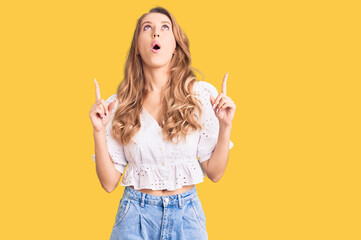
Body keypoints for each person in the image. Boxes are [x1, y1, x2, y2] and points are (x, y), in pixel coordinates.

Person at [89, 6, 236, 240]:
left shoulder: (200, 97)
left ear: (175, 45)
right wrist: (98, 131)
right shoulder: (118, 105)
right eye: (147, 28)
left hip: (186, 218)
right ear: (137, 47)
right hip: (134, 217)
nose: (155, 33)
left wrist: (225, 126)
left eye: (164, 28)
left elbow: (215, 173)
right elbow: (108, 183)